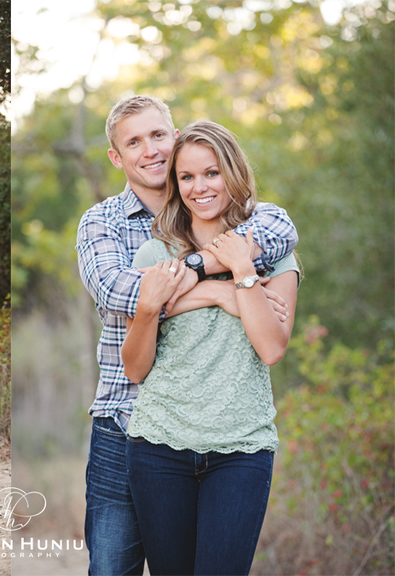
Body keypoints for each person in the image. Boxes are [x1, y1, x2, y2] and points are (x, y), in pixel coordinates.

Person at [75, 95, 298, 575]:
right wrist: (222, 294)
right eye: (133, 142)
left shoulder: (260, 223)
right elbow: (123, 295)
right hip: (128, 420)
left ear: (175, 140)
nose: (150, 150)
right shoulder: (105, 223)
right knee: (112, 568)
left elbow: (282, 233)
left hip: (232, 436)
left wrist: (200, 268)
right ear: (117, 157)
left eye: (158, 135)